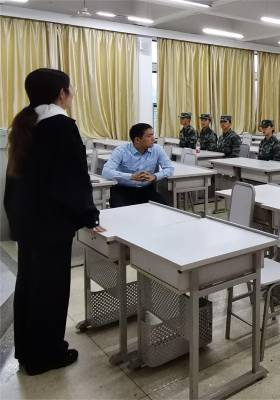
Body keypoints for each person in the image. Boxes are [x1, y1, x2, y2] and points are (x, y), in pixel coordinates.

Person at [4, 68, 103, 375]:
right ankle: (47, 355)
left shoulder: (25, 122)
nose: (71, 94)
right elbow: (73, 178)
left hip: (27, 221)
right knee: (51, 289)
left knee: (29, 284)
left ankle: (28, 352)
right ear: (62, 93)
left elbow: (14, 179)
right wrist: (89, 215)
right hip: (51, 224)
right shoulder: (60, 125)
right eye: (69, 89)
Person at [102, 123, 174, 207]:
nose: (153, 139)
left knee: (164, 209)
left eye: (153, 135)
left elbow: (170, 168)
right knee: (121, 212)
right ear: (137, 140)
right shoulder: (121, 151)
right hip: (122, 190)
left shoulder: (157, 149)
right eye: (149, 136)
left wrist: (155, 176)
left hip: (146, 190)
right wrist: (131, 176)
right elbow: (106, 172)